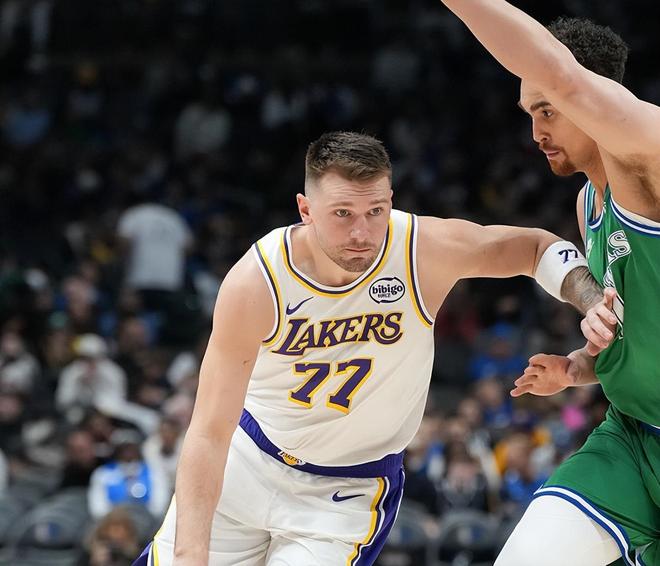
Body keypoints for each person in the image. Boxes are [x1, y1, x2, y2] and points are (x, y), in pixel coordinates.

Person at [133, 131, 601, 566]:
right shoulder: (257, 281)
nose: (361, 232)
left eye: (375, 211)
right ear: (305, 209)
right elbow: (209, 430)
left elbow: (536, 249)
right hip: (249, 462)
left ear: (390, 200)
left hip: (346, 492)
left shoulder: (421, 251)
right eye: (343, 214)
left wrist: (593, 301)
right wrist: (189, 554)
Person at [439, 2, 660, 564]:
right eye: (528, 113)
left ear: (592, 99)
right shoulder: (589, 204)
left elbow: (563, 74)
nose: (536, 132)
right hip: (631, 440)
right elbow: (636, 331)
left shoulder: (650, 154)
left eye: (547, 110)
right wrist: (579, 367)